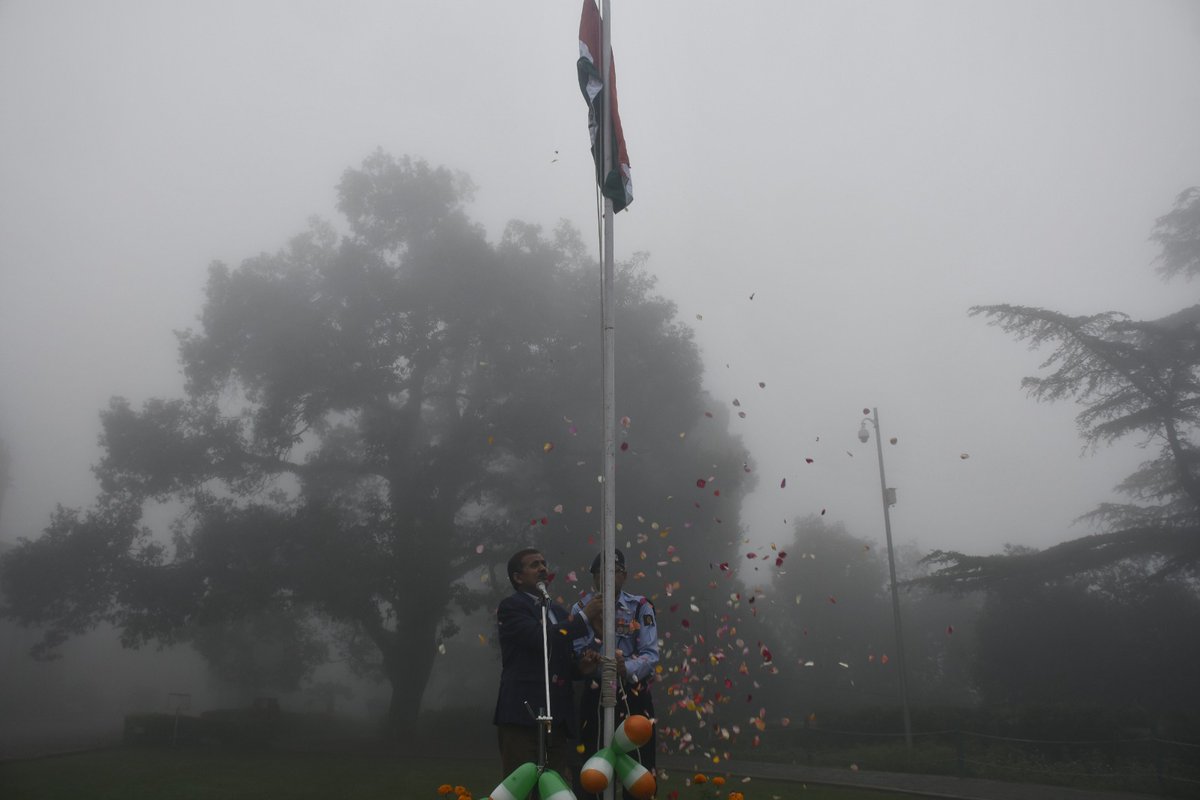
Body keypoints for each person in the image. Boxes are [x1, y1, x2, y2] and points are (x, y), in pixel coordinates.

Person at [493, 547, 602, 787]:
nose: (543, 568)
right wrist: (584, 617)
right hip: (523, 715)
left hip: (557, 718)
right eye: (534, 565)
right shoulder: (511, 607)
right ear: (518, 578)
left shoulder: (557, 611)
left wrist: (580, 668)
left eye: (544, 563)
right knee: (520, 787)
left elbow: (559, 658)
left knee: (554, 787)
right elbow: (537, 637)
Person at [570, 549, 659, 799]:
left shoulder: (640, 606)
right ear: (594, 577)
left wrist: (626, 667)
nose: (608, 578)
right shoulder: (580, 608)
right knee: (593, 763)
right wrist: (591, 653)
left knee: (639, 764)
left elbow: (650, 654)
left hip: (633, 693)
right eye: (602, 573)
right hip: (596, 693)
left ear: (625, 575)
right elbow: (577, 653)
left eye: (615, 572)